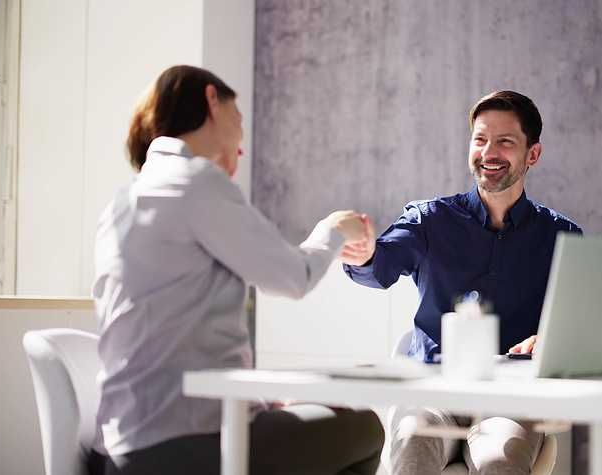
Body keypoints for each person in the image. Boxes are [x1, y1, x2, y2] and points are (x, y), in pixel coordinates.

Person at [90, 65, 384, 475]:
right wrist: (333, 230)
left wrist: (264, 404)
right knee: (366, 429)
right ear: (212, 100)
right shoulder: (195, 181)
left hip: (121, 446)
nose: (241, 138)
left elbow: (180, 340)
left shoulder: (124, 200)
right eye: (239, 118)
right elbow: (294, 277)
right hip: (179, 447)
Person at [341, 90, 581, 474]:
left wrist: (550, 339)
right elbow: (380, 265)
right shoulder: (429, 219)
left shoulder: (562, 236)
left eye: (505, 142)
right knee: (412, 441)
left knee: (500, 459)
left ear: (532, 154)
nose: (489, 153)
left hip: (510, 398)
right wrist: (364, 252)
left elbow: (577, 327)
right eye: (481, 140)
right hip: (432, 392)